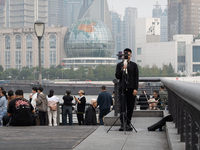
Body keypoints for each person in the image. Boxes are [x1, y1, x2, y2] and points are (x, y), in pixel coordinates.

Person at [115, 48, 139, 131]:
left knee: (130, 107)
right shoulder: (119, 65)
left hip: (131, 89)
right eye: (125, 55)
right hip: (122, 89)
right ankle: (122, 123)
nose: (127, 56)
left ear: (131, 55)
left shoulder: (134, 65)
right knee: (122, 107)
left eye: (128, 55)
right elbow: (117, 76)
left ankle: (128, 123)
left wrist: (135, 89)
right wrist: (122, 69)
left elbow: (136, 78)